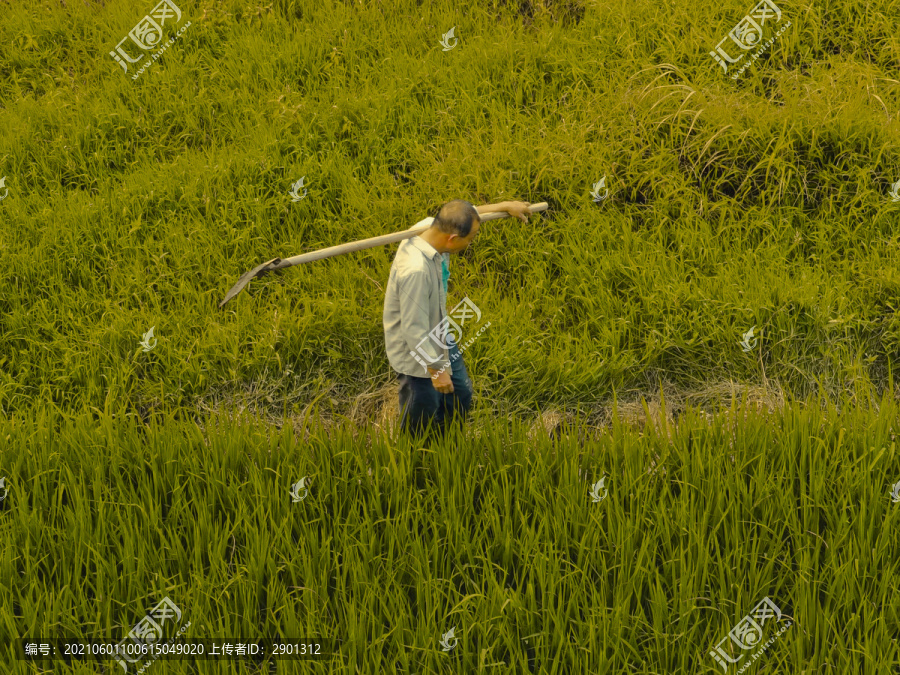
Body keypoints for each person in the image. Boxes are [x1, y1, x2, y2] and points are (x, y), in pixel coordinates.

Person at [382, 199, 532, 442]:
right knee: (423, 408)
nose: (471, 241)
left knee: (460, 394)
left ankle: (445, 443)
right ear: (453, 239)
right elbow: (413, 330)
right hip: (416, 350)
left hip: (437, 330)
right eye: (471, 238)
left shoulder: (432, 228)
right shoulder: (416, 270)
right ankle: (414, 454)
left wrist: (505, 205)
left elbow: (467, 213)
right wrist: (435, 370)